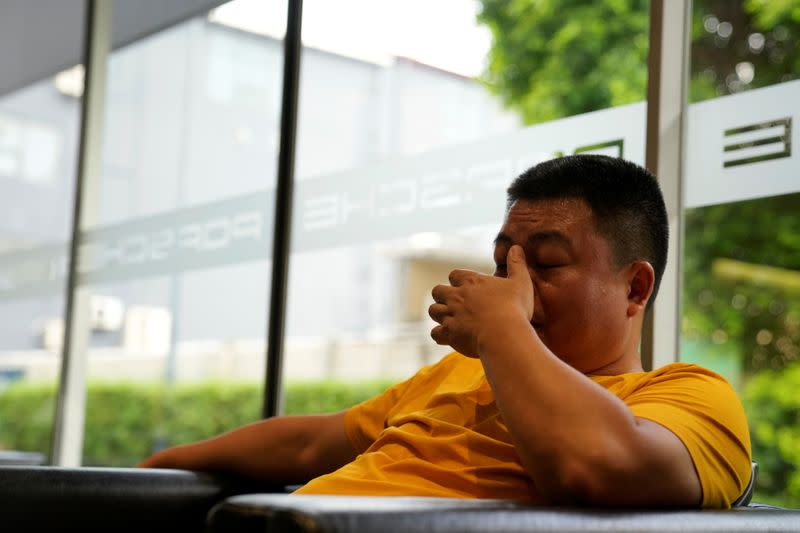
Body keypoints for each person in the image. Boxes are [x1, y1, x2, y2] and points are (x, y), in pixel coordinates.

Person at [140, 155, 751, 508]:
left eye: (545, 263)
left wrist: (500, 329)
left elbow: (594, 466)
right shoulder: (461, 373)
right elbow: (307, 445)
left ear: (635, 289)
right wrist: (162, 465)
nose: (513, 284)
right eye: (503, 261)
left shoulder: (690, 397)